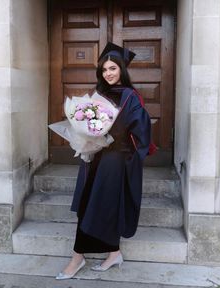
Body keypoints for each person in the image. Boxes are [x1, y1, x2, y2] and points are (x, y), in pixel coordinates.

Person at [55, 42, 151, 280]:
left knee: (98, 205)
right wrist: (85, 137)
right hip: (93, 157)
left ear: (121, 70)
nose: (108, 73)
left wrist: (120, 145)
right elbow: (87, 122)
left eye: (113, 68)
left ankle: (78, 257)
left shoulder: (130, 97)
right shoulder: (99, 94)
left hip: (114, 161)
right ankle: (113, 253)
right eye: (104, 70)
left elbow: (141, 132)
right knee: (93, 205)